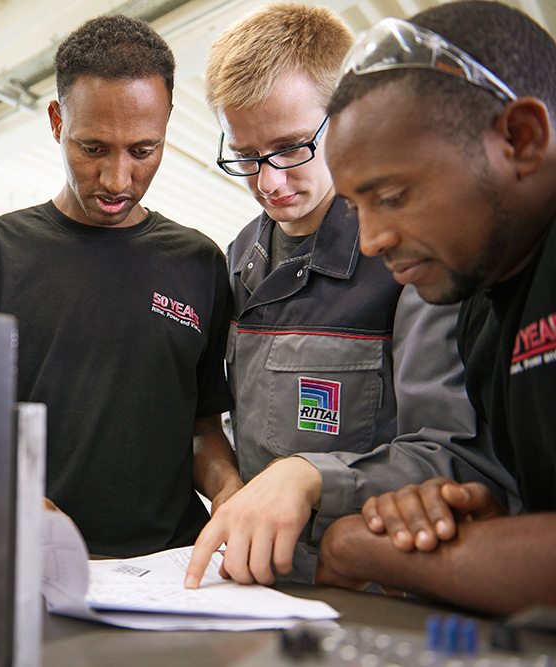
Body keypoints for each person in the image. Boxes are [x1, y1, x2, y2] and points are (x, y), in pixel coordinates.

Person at [184, 2, 518, 588]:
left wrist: (311, 476)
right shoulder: (238, 259)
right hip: (253, 583)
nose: (268, 182)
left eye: (291, 148)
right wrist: (231, 486)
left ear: (344, 119)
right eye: (246, 156)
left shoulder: (410, 259)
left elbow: (457, 459)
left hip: (376, 585)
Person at [0, 14, 237, 558]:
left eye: (143, 151)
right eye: (94, 148)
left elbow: (202, 430)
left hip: (171, 564)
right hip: (33, 559)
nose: (117, 180)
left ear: (166, 124)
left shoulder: (199, 263)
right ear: (57, 122)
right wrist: (11, 496)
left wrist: (229, 490)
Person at [315, 0, 556, 614]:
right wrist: (482, 530)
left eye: (394, 196)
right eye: (356, 207)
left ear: (521, 139)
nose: (371, 241)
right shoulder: (480, 309)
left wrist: (364, 548)